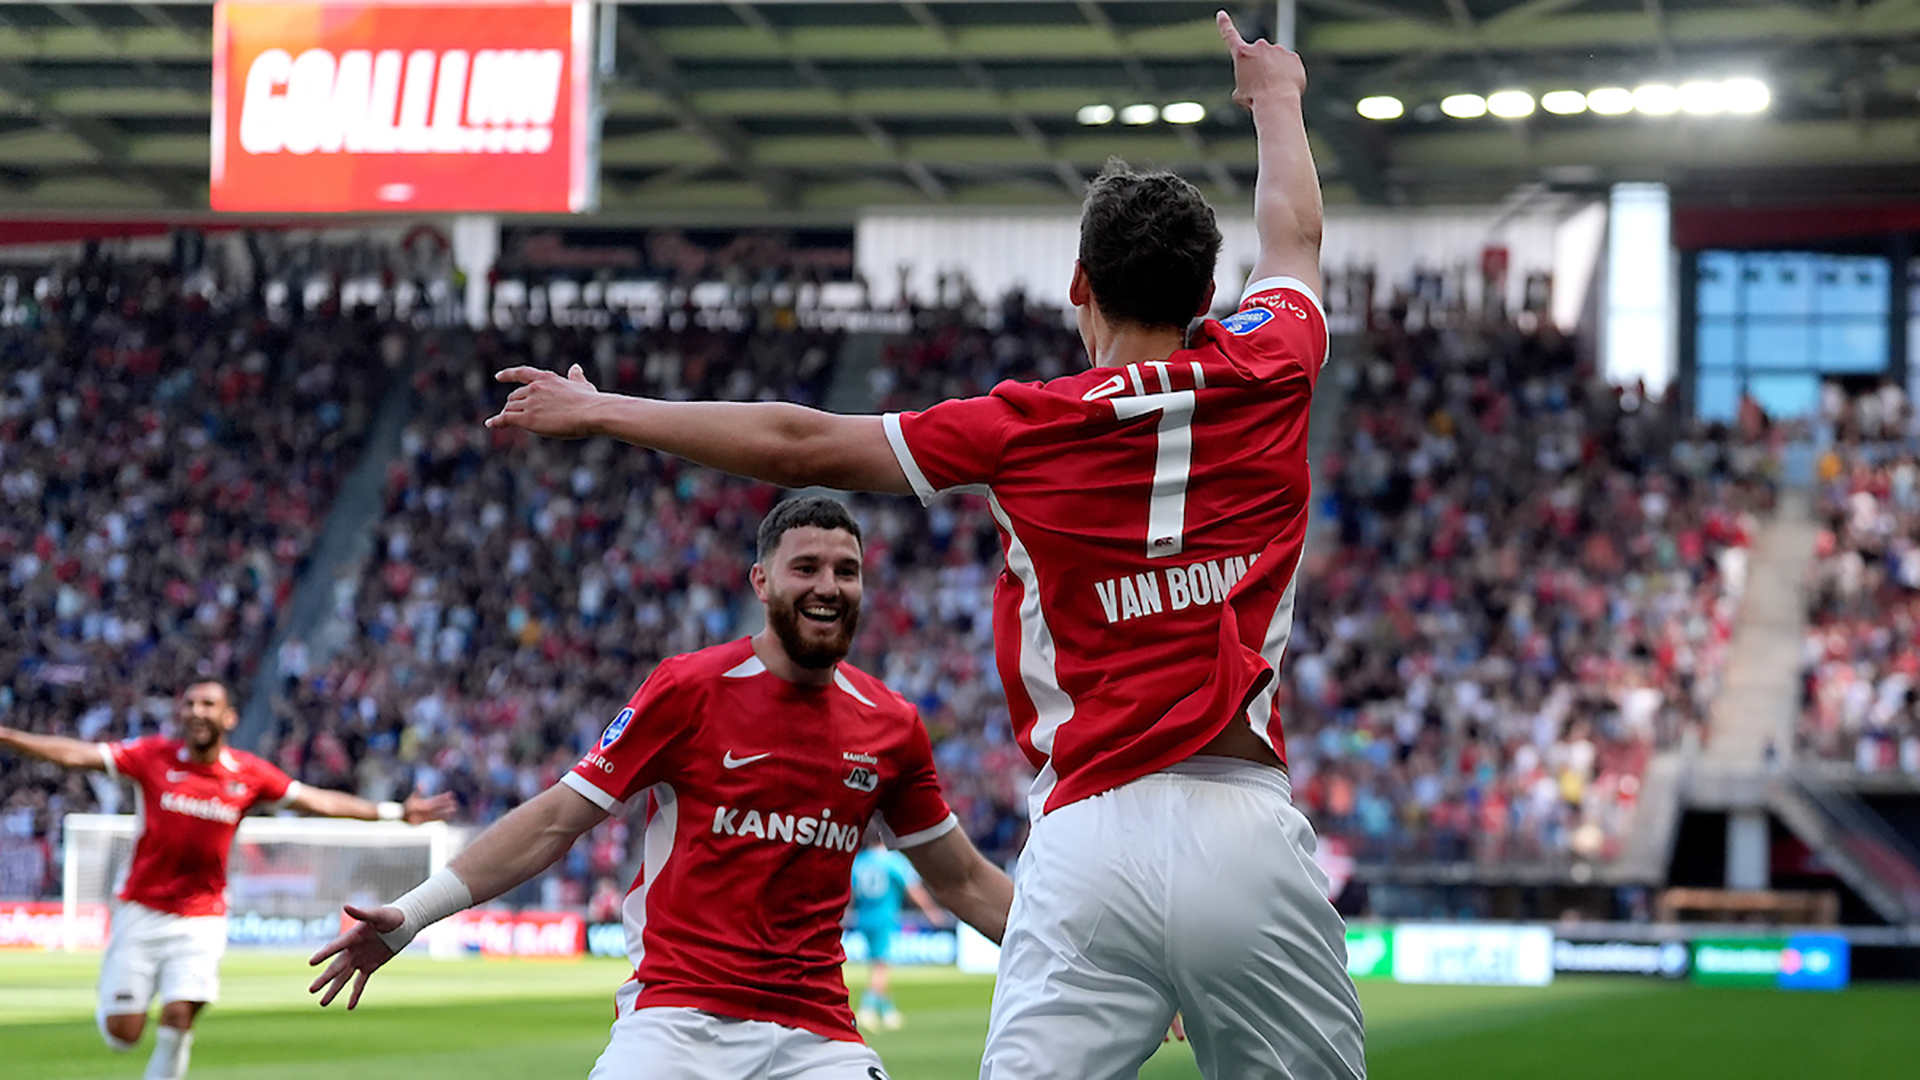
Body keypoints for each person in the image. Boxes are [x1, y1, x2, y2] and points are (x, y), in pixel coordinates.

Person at [482, 14, 1361, 1079]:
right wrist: (1276, 96)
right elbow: (1297, 238)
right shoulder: (1275, 363)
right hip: (1244, 826)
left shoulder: (1024, 425)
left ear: (1078, 284)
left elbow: (799, 439)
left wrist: (605, 407)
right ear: (1209, 295)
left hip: (1087, 843)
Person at [309, 496, 1015, 1080]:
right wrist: (415, 912)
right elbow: (558, 819)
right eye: (806, 567)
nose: (828, 586)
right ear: (762, 582)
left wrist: (1108, 953)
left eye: (846, 571)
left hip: (819, 1036)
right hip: (678, 1025)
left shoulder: (892, 725)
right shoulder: (690, 688)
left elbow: (964, 883)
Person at [0, 680, 455, 1080]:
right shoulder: (151, 756)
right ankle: (117, 1004)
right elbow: (79, 755)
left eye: (208, 704)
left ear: (228, 716)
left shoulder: (248, 774)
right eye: (191, 704)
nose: (198, 711)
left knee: (180, 1014)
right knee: (125, 1033)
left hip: (203, 915)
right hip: (141, 908)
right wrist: (7, 735)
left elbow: (315, 800)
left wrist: (396, 812)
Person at [848, 833, 948, 1031]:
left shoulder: (859, 861)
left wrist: (846, 914)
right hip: (884, 918)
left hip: (863, 917)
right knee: (881, 966)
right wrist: (931, 912)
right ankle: (867, 1009)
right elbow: (913, 889)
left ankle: (887, 1011)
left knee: (876, 962)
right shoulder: (893, 861)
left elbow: (849, 892)